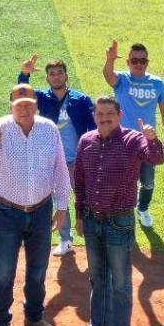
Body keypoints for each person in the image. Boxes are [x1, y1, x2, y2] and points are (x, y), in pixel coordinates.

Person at [0, 84, 72, 326]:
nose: (25, 108)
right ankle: (1, 325)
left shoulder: (49, 129)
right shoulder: (0, 127)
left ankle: (34, 317)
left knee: (38, 270)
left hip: (41, 212)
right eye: (19, 104)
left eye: (29, 102)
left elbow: (60, 170)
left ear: (36, 104)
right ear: (10, 106)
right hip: (7, 212)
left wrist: (62, 207)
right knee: (5, 271)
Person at [73, 96, 164, 326]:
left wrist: (152, 138)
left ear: (119, 114)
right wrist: (79, 215)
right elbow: (79, 181)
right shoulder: (86, 141)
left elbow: (156, 158)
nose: (104, 118)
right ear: (94, 116)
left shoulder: (134, 140)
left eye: (109, 113)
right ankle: (98, 324)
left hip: (119, 222)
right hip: (92, 220)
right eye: (100, 113)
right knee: (97, 277)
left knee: (120, 282)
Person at [18, 55, 96, 257]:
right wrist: (24, 74)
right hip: (52, 160)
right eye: (51, 74)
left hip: (78, 160)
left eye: (59, 72)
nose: (56, 77)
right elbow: (22, 96)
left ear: (66, 75)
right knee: (60, 199)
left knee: (86, 198)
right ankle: (66, 239)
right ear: (47, 79)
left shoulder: (81, 99)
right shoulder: (42, 99)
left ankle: (92, 236)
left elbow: (94, 128)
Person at [103, 41, 164, 228]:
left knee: (148, 182)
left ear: (147, 63)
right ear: (127, 62)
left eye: (142, 60)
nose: (138, 64)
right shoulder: (122, 80)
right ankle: (122, 213)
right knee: (123, 181)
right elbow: (108, 76)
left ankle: (142, 209)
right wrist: (109, 60)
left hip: (148, 142)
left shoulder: (157, 83)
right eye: (134, 60)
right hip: (123, 142)